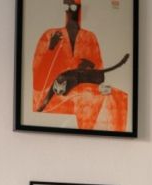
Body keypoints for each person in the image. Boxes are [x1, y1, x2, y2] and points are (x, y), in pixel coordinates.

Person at [31, 0, 129, 131]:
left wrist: (90, 67)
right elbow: (37, 77)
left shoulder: (89, 37)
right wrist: (51, 49)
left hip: (83, 91)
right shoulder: (50, 35)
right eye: (67, 6)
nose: (69, 11)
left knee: (117, 96)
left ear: (81, 10)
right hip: (54, 93)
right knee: (87, 99)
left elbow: (100, 76)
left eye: (73, 7)